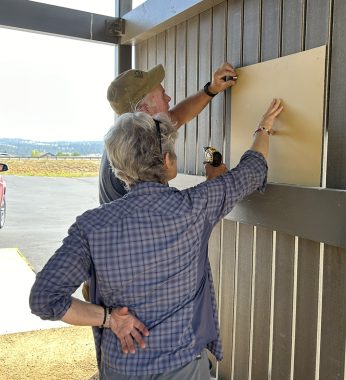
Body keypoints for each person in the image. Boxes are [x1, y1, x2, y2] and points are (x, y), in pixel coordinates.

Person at [30, 99, 284, 379]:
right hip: (183, 368)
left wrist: (109, 318)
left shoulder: (91, 227)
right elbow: (252, 169)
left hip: (120, 369)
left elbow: (44, 299)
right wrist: (264, 127)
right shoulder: (196, 207)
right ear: (166, 161)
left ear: (121, 169)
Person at [100, 62, 237, 204]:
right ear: (144, 109)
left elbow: (178, 116)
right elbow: (169, 217)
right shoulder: (137, 155)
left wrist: (212, 88)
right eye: (162, 94)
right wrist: (213, 183)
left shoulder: (130, 137)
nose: (168, 98)